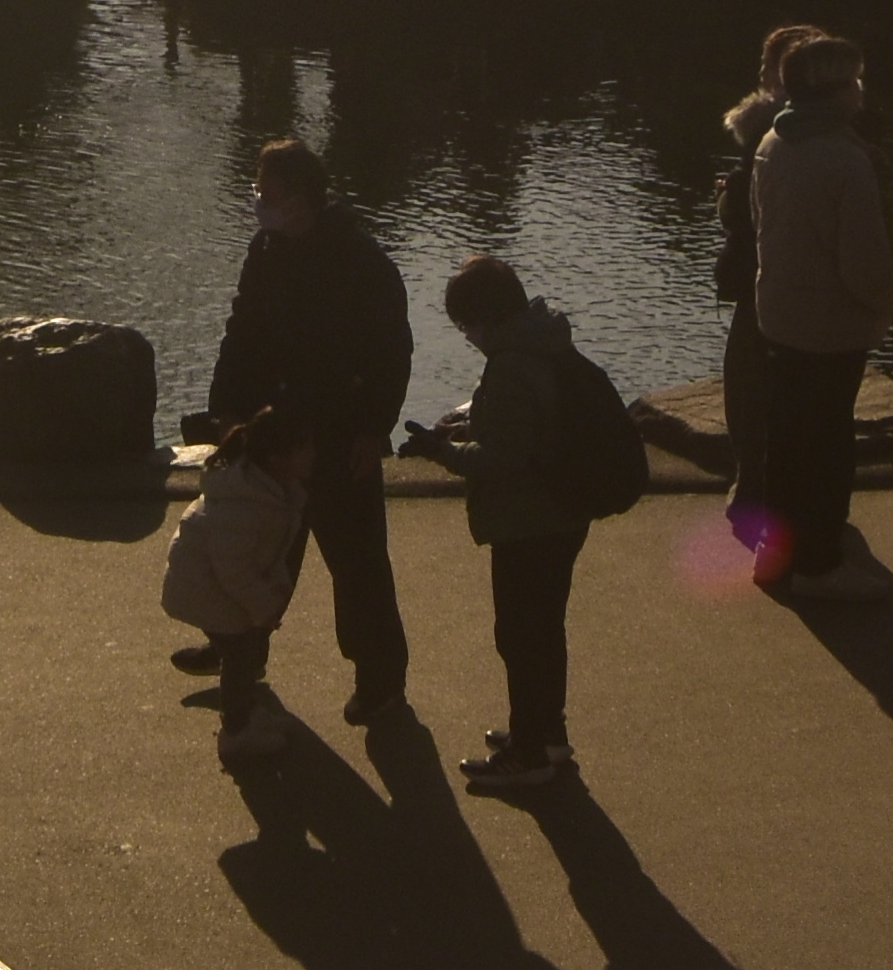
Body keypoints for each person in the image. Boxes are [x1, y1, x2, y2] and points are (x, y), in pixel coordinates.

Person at [199, 141, 412, 763]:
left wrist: (373, 430)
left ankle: (380, 682)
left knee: (357, 564)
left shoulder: (363, 260)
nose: (258, 203)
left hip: (339, 434)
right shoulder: (265, 250)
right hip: (272, 432)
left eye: (266, 193)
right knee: (258, 549)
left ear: (299, 198)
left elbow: (392, 351)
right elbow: (241, 329)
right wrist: (227, 406)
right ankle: (238, 658)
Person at [440, 252, 598, 793]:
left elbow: (503, 459)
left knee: (520, 634)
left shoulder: (509, 364)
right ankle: (545, 730)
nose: (468, 336)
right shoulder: (546, 342)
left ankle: (529, 754)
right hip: (563, 513)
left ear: (484, 317)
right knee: (544, 630)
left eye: (466, 324)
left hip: (528, 519)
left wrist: (446, 453)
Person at [743, 36, 893, 595]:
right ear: (835, 89)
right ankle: (819, 563)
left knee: (785, 439)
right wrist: (887, 302)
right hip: (830, 322)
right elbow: (863, 258)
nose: (860, 90)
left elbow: (759, 223)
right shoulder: (845, 159)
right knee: (829, 444)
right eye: (853, 80)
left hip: (779, 311)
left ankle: (775, 551)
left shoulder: (772, 143)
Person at [709, 24, 816, 556]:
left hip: (762, 277)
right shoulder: (838, 132)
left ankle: (752, 492)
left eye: (766, 64)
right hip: (811, 283)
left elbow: (747, 215)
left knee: (749, 388)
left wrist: (728, 196)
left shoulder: (768, 130)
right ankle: (797, 502)